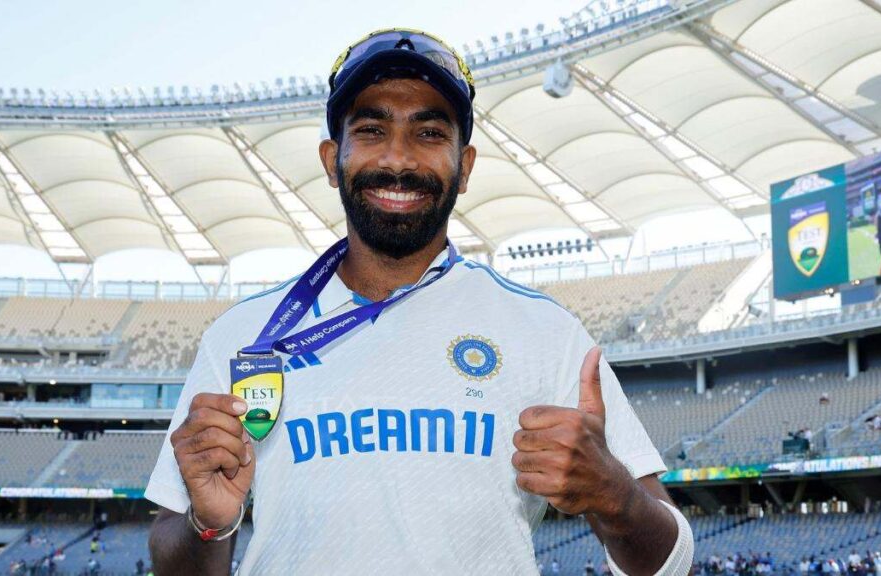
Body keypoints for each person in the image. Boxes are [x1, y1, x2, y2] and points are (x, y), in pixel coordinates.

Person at [145, 27, 693, 576]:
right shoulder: (245, 335)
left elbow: (675, 565)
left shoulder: (545, 331)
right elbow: (173, 557)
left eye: (429, 132)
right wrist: (207, 523)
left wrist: (616, 497)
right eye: (371, 129)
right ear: (332, 158)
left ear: (467, 164)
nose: (399, 159)